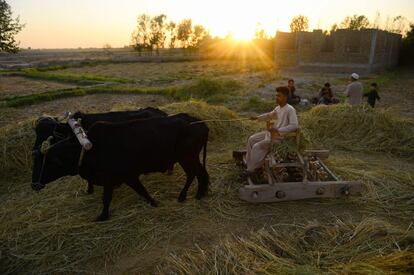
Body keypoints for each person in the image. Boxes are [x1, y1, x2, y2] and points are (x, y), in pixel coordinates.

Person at [246, 86, 298, 177]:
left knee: (257, 146)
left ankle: (251, 170)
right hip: (271, 135)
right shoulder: (278, 108)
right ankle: (250, 163)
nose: (276, 98)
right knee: (251, 139)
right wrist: (257, 117)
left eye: (279, 96)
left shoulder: (290, 109)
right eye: (276, 95)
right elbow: (269, 115)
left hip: (281, 138)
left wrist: (278, 130)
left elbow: (294, 125)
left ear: (285, 97)